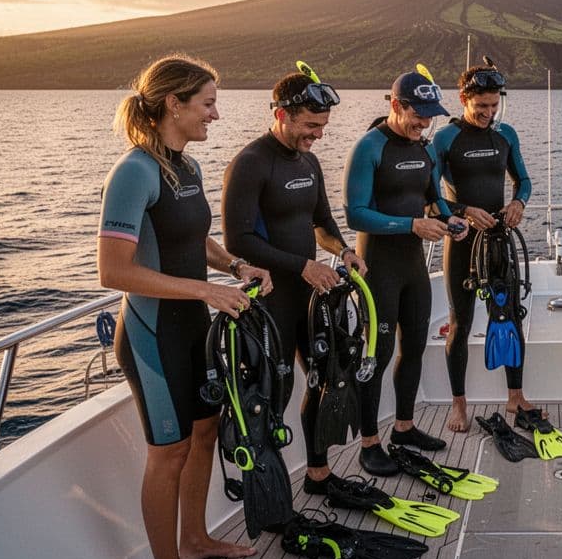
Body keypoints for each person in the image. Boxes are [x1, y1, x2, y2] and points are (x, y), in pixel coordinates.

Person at [97, 55, 272, 559]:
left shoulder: (187, 169)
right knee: (167, 452)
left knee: (204, 434)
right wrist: (203, 291)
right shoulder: (134, 172)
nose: (216, 115)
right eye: (208, 103)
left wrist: (234, 268)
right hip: (153, 335)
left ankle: (194, 540)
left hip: (194, 327)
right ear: (173, 104)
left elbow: (194, 239)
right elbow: (114, 271)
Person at [222, 70, 366, 494]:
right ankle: (268, 492)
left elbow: (321, 221)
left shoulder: (310, 161)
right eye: (310, 126)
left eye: (322, 127)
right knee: (273, 396)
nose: (318, 135)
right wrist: (303, 266)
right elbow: (238, 239)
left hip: (309, 296)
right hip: (271, 302)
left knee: (324, 380)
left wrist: (343, 251)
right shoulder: (250, 163)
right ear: (282, 114)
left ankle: (318, 474)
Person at [344, 70, 468, 475]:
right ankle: (368, 443)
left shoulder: (426, 149)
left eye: (431, 117)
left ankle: (404, 427)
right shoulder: (369, 147)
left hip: (413, 267)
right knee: (376, 356)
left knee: (413, 347)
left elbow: (435, 200)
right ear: (396, 105)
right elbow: (356, 214)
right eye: (418, 115)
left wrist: (452, 221)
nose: (424, 124)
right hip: (379, 267)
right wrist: (412, 225)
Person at [429, 63, 534, 432]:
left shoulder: (505, 134)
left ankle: (516, 396)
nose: (490, 114)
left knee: (510, 316)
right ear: (463, 100)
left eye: (494, 105)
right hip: (461, 242)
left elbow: (523, 180)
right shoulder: (444, 139)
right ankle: (459, 404)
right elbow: (430, 199)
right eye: (482, 107)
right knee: (461, 323)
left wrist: (518, 203)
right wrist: (462, 211)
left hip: (498, 240)